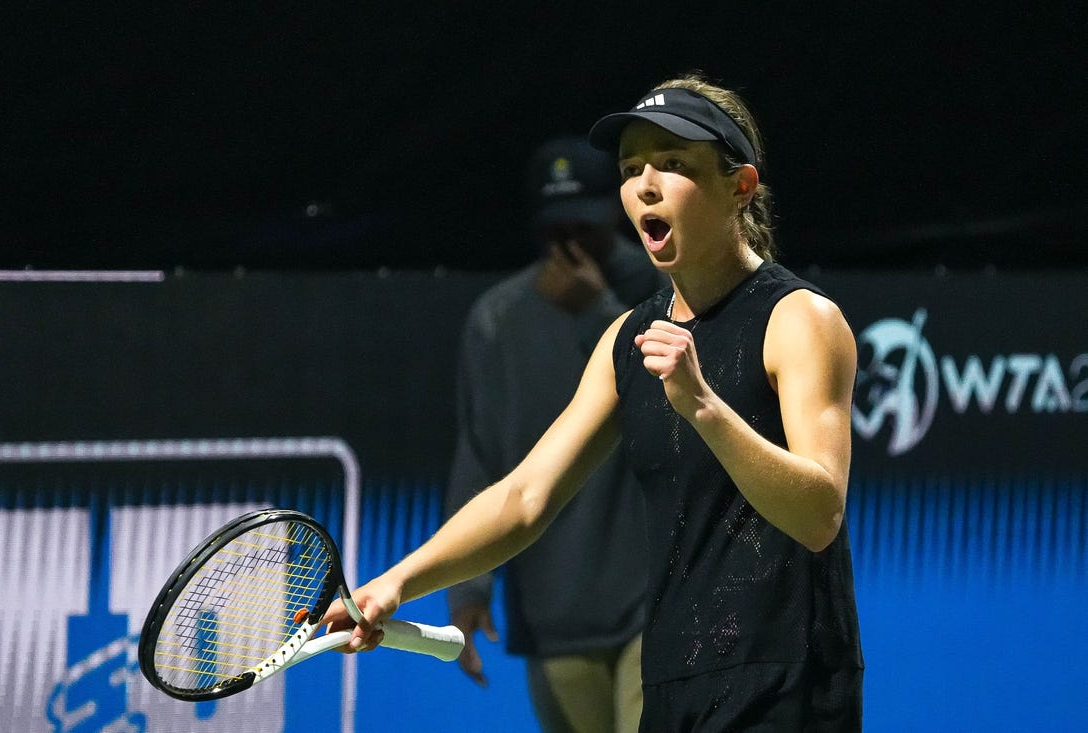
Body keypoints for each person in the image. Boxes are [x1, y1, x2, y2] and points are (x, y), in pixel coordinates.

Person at [325, 73, 864, 731]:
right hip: (673, 683)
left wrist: (703, 407)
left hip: (786, 684)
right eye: (631, 167)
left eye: (672, 165)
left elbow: (818, 513)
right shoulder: (626, 339)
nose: (644, 184)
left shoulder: (799, 319)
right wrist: (396, 582)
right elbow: (524, 497)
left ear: (739, 185)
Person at [444, 136, 659, 733]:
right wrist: (469, 590)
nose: (569, 243)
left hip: (659, 599)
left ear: (614, 213)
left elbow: (682, 406)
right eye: (554, 228)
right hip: (554, 607)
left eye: (583, 226)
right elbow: (479, 460)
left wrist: (601, 311)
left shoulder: (666, 288)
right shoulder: (498, 318)